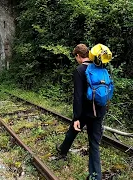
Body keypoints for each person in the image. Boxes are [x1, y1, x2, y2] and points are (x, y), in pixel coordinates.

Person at [56, 44, 107, 180]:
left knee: (72, 131)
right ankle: (95, 176)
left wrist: (76, 117)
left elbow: (78, 96)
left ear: (79, 56)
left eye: (76, 57)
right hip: (99, 111)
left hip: (84, 112)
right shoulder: (100, 67)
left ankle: (62, 151)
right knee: (94, 144)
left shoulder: (79, 70)